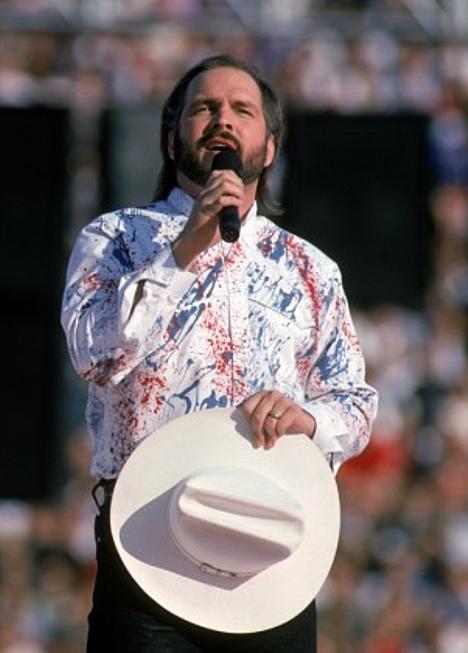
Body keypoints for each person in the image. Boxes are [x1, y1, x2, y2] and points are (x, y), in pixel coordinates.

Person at [60, 54, 378, 651]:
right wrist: (183, 250)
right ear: (171, 134)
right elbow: (95, 354)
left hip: (271, 557)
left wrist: (307, 418)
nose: (222, 121)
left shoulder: (310, 270)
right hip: (149, 545)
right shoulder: (115, 239)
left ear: (270, 146)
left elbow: (355, 404)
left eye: (242, 110)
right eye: (204, 108)